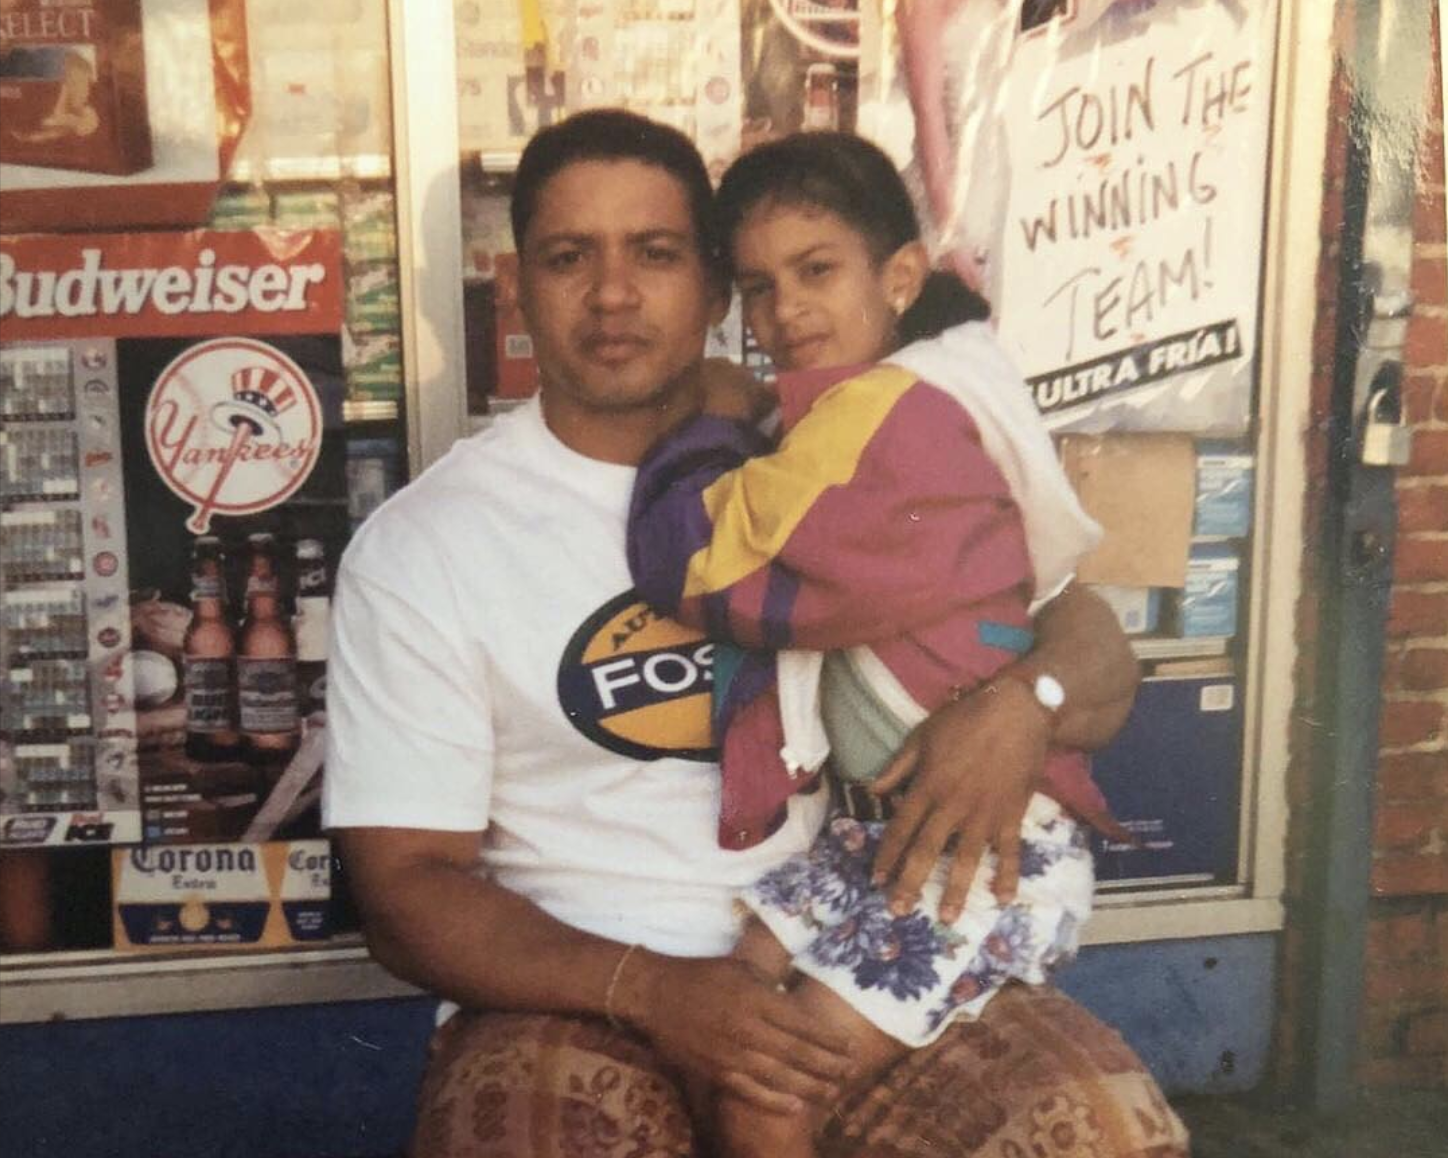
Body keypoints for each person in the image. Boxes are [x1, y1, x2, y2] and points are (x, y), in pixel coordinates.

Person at [323, 107, 1188, 1158]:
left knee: (1098, 1132)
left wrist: (1024, 704)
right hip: (572, 992)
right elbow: (403, 890)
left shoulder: (834, 448)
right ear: (517, 287)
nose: (611, 294)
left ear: (715, 289)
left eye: (654, 253)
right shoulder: (427, 546)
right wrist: (651, 991)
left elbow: (1074, 623)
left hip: (846, 946)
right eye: (565, 257)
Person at [625, 130, 1129, 1158]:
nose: (783, 314)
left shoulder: (893, 423)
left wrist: (705, 428)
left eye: (816, 273)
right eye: (759, 288)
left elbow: (703, 565)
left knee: (770, 1088)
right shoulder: (899, 396)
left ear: (899, 275)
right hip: (873, 835)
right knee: (739, 986)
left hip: (970, 849)